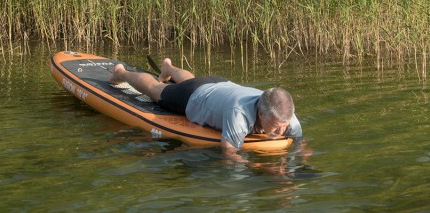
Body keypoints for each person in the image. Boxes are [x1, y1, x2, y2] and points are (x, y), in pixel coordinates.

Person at [109, 57, 302, 161]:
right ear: (260, 113)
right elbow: (229, 152)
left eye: (284, 126)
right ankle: (121, 72)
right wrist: (257, 168)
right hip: (195, 96)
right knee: (155, 90)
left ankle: (168, 68)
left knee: (192, 81)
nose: (281, 132)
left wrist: (301, 157)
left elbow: (300, 142)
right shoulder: (239, 114)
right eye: (276, 126)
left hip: (218, 85)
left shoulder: (285, 113)